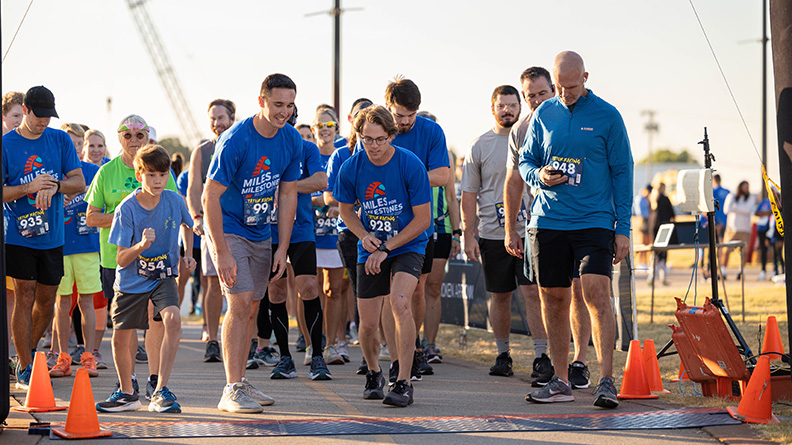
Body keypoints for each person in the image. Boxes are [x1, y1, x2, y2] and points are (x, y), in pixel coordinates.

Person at [519, 51, 633, 408]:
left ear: (585, 77)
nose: (564, 93)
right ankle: (560, 380)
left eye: (571, 86)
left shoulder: (608, 116)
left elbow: (623, 172)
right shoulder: (544, 113)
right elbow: (526, 160)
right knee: (554, 299)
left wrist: (623, 228)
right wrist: (539, 176)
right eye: (558, 86)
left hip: (595, 221)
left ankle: (606, 381)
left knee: (597, 295)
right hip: (549, 221)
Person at [203, 73, 302, 413]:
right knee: (240, 302)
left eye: (289, 105)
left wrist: (283, 247)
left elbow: (288, 194)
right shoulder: (236, 139)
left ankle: (241, 381)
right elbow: (209, 196)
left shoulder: (291, 140)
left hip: (262, 233)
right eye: (277, 105)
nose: (284, 112)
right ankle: (230, 390)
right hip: (231, 230)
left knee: (253, 308)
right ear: (261, 101)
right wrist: (221, 250)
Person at [335, 105, 431, 407]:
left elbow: (422, 220)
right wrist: (364, 236)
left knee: (400, 303)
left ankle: (403, 380)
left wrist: (387, 248)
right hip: (371, 246)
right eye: (366, 139)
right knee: (367, 323)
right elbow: (345, 209)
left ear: (391, 136)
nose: (373, 146)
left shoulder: (409, 164)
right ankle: (374, 372)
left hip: (407, 245)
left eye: (379, 139)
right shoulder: (351, 166)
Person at [504, 66, 592, 389]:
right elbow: (513, 180)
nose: (538, 100)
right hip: (540, 224)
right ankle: (549, 361)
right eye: (531, 96)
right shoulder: (520, 130)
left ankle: (580, 361)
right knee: (542, 294)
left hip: (581, 221)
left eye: (543, 93)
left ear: (554, 89)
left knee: (579, 292)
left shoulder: (576, 117)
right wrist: (510, 228)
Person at [97, 145, 195, 413]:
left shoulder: (174, 200)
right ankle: (127, 394)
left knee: (173, 319)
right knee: (121, 337)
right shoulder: (126, 208)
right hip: (131, 278)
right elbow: (120, 259)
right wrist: (140, 245)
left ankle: (161, 390)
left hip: (162, 275)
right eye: (151, 175)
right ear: (139, 174)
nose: (157, 181)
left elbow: (188, 224)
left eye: (162, 175)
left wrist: (187, 253)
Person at [87, 115, 178, 399]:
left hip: (155, 261)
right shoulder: (106, 172)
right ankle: (129, 382)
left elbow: (174, 210)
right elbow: (91, 217)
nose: (134, 141)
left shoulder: (161, 169)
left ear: (147, 137)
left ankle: (154, 380)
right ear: (119, 138)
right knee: (125, 327)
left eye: (140, 135)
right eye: (128, 135)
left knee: (156, 321)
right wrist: (126, 218)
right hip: (119, 260)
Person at [461, 84, 548, 379]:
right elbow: (469, 194)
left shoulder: (531, 136)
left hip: (529, 231)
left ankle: (542, 356)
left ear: (520, 106)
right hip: (492, 234)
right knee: (499, 296)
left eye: (513, 105)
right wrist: (468, 233)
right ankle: (502, 354)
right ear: (493, 108)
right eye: (502, 106)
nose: (508, 110)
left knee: (532, 293)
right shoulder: (479, 145)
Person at [3, 86, 86, 389]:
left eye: (48, 116)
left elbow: (78, 182)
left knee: (47, 299)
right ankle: (26, 366)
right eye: (39, 116)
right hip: (19, 234)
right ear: (24, 110)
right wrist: (28, 188)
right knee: (24, 294)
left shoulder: (60, 139)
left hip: (52, 236)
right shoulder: (6, 145)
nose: (44, 122)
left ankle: (25, 355)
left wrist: (54, 186)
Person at [384, 77, 450, 382]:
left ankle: (414, 348)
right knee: (390, 294)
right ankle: (394, 356)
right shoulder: (377, 129)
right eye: (399, 116)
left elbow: (443, 175)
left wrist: (406, 174)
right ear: (388, 108)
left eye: (411, 115)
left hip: (420, 226)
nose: (406, 122)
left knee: (418, 290)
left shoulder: (431, 130)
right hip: (383, 225)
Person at [267, 106, 330, 380]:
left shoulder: (306, 148)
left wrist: (287, 186)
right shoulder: (262, 147)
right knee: (276, 292)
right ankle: (284, 358)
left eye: (288, 117)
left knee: (308, 286)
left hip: (301, 228)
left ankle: (317, 355)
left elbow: (321, 180)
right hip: (267, 230)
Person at [49, 123, 103, 379]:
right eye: (70, 143)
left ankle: (89, 356)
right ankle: (63, 358)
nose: (76, 148)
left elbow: (100, 206)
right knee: (62, 302)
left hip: (87, 246)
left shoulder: (94, 172)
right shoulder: (53, 173)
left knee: (87, 302)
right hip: (59, 246)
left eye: (79, 143)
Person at [187, 99, 235, 362]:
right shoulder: (202, 151)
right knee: (213, 284)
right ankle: (213, 340)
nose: (217, 123)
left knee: (244, 286)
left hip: (241, 226)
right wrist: (196, 216)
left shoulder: (242, 143)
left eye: (221, 118)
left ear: (232, 118)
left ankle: (247, 340)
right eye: (213, 119)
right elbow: (194, 189)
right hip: (211, 225)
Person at [419, 111, 461, 365]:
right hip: (410, 229)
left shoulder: (443, 157)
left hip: (440, 228)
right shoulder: (405, 153)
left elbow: (452, 197)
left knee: (433, 287)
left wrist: (457, 233)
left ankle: (430, 344)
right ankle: (409, 341)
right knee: (413, 288)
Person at [310, 107, 350, 366]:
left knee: (334, 289)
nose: (325, 129)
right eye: (320, 125)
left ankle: (333, 344)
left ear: (337, 128)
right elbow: (296, 192)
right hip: (309, 232)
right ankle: (312, 345)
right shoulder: (307, 154)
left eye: (330, 124)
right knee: (310, 290)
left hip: (335, 234)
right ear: (313, 129)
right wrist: (323, 202)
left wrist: (339, 204)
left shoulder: (343, 155)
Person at [720, 181, 757, 280]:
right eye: (745, 187)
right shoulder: (731, 196)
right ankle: (723, 272)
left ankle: (741, 272)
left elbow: (747, 211)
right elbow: (726, 209)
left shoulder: (750, 198)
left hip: (745, 229)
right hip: (732, 228)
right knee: (726, 251)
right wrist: (738, 209)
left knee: (744, 252)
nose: (746, 189)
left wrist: (735, 208)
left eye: (747, 187)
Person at [647, 183, 674, 285]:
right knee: (663, 253)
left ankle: (651, 277)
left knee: (655, 253)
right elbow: (671, 213)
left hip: (653, 226)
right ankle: (663, 278)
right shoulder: (665, 199)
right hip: (664, 227)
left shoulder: (652, 199)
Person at [755, 197, 773, 281]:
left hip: (773, 228)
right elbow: (757, 212)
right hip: (762, 229)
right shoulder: (764, 202)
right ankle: (763, 271)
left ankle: (775, 270)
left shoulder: (778, 201)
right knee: (763, 250)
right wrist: (767, 213)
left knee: (775, 250)